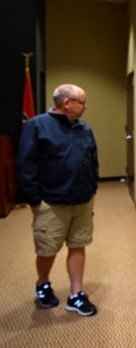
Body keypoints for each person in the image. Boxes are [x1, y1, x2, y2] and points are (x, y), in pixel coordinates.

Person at [17, 83, 99, 317]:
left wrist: (92, 186)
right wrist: (34, 201)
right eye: (82, 102)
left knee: (78, 245)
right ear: (66, 103)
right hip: (51, 203)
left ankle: (76, 294)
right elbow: (26, 165)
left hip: (82, 200)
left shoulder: (85, 128)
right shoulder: (36, 126)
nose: (85, 106)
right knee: (47, 249)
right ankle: (43, 284)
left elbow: (93, 160)